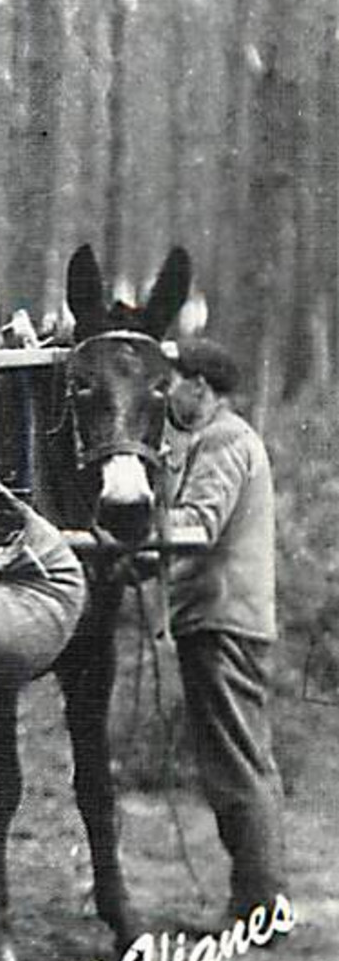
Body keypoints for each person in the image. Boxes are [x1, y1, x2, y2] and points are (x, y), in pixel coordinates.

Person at [163, 337, 288, 923]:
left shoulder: (223, 440)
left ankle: (258, 908)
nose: (166, 394)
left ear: (201, 388)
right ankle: (259, 900)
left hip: (224, 621)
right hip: (224, 618)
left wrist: (135, 522)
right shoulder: (218, 440)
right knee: (243, 761)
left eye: (174, 383)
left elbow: (196, 526)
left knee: (237, 767)